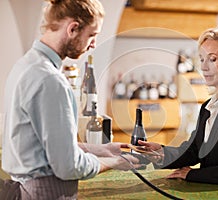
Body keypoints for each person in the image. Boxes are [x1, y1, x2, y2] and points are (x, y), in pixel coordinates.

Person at [1, 0, 140, 199]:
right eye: (92, 35)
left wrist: (102, 150)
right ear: (73, 28)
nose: (93, 44)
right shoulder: (50, 80)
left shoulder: (26, 65)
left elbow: (48, 147)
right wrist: (115, 162)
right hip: (45, 193)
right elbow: (68, 166)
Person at [139, 27, 218, 186]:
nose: (204, 67)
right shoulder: (208, 106)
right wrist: (161, 153)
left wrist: (193, 174)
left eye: (212, 59)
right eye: (201, 59)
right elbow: (194, 151)